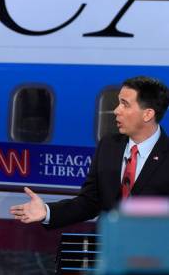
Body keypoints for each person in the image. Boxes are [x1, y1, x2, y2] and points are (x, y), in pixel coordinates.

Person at [10, 76, 169, 227]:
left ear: (147, 114)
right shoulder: (109, 145)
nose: (116, 110)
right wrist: (47, 211)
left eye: (124, 104)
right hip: (107, 248)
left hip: (155, 251)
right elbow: (90, 202)